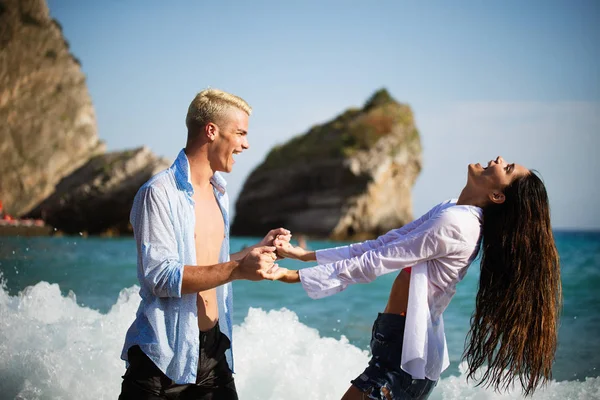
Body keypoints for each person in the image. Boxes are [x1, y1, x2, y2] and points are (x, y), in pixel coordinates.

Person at [270, 156, 562, 399]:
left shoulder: (457, 224)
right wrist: (305, 256)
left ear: (498, 195)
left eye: (507, 168)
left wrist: (291, 276)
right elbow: (385, 244)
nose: (499, 159)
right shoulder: (452, 210)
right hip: (397, 343)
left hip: (404, 355)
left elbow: (377, 262)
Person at [119, 89, 291, 400]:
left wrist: (253, 252)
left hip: (213, 353)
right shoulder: (158, 193)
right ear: (211, 131)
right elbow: (160, 277)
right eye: (239, 133)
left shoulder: (218, 192)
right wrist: (238, 269)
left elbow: (212, 261)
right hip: (162, 362)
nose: (246, 144)